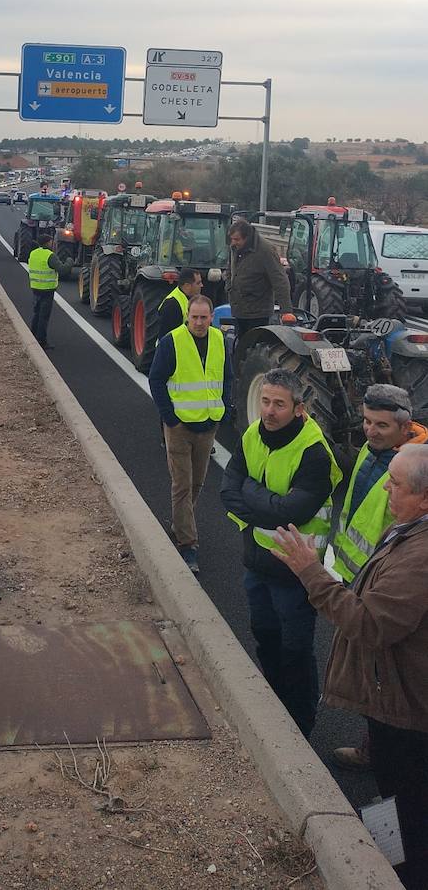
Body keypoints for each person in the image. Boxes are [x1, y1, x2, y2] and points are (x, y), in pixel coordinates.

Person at [274, 444, 428, 890]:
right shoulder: (409, 528)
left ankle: (403, 873)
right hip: (398, 699)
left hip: (406, 710)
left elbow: (371, 624)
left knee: (407, 799)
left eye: (395, 484)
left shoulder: (420, 557)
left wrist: (311, 573)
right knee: (398, 791)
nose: (385, 487)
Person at [220, 368, 341, 736]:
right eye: (265, 401)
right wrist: (264, 502)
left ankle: (302, 723)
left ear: (299, 409)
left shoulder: (314, 453)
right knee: (265, 637)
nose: (269, 411)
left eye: (279, 404)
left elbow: (293, 512)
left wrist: (251, 492)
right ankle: (274, 706)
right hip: (257, 563)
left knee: (296, 652)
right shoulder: (252, 433)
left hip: (295, 574)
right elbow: (228, 490)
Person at [331, 384, 427, 771]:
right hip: (359, 573)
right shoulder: (372, 454)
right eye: (367, 421)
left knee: (388, 674)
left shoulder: (412, 469)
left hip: (390, 585)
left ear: (405, 428)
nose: (370, 431)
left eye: (381, 425)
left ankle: (383, 753)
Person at [148, 295, 226, 574]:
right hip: (180, 427)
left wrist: (223, 408)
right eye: (194, 317)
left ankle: (180, 523)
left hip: (207, 426)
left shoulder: (219, 340)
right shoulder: (172, 341)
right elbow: (156, 379)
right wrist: (169, 418)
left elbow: (224, 377)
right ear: (187, 316)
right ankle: (187, 543)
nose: (199, 322)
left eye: (204, 317)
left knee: (197, 483)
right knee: (182, 484)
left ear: (211, 316)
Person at [226, 219, 292, 340]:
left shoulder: (265, 251)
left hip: (258, 313)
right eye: (232, 239)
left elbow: (280, 280)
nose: (233, 243)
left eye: (236, 239)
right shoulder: (235, 248)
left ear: (247, 238)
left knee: (255, 346)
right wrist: (229, 287)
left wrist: (286, 311)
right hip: (239, 310)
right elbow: (231, 269)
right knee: (241, 347)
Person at [27, 228, 70, 351]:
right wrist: (69, 261)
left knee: (36, 313)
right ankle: (42, 341)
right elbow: (63, 270)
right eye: (51, 242)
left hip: (35, 287)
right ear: (47, 243)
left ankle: (32, 335)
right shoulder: (50, 256)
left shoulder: (33, 253)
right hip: (47, 290)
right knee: (44, 316)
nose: (53, 243)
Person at [157, 268, 203, 339]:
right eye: (198, 283)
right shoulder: (171, 305)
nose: (201, 285)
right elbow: (168, 338)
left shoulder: (193, 298)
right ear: (187, 286)